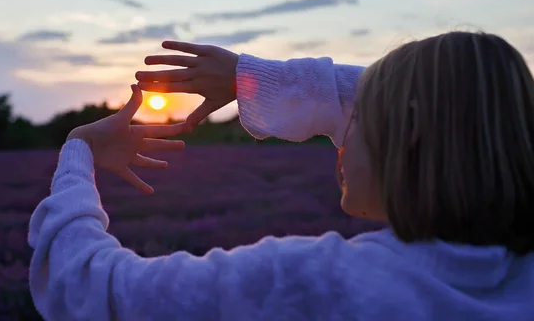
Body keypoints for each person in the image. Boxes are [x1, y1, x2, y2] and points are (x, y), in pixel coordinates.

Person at [29, 31, 534, 320]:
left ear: (414, 127)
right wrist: (253, 77)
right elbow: (464, 114)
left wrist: (79, 155)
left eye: (352, 120)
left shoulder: (314, 284)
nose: (337, 135)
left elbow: (95, 293)